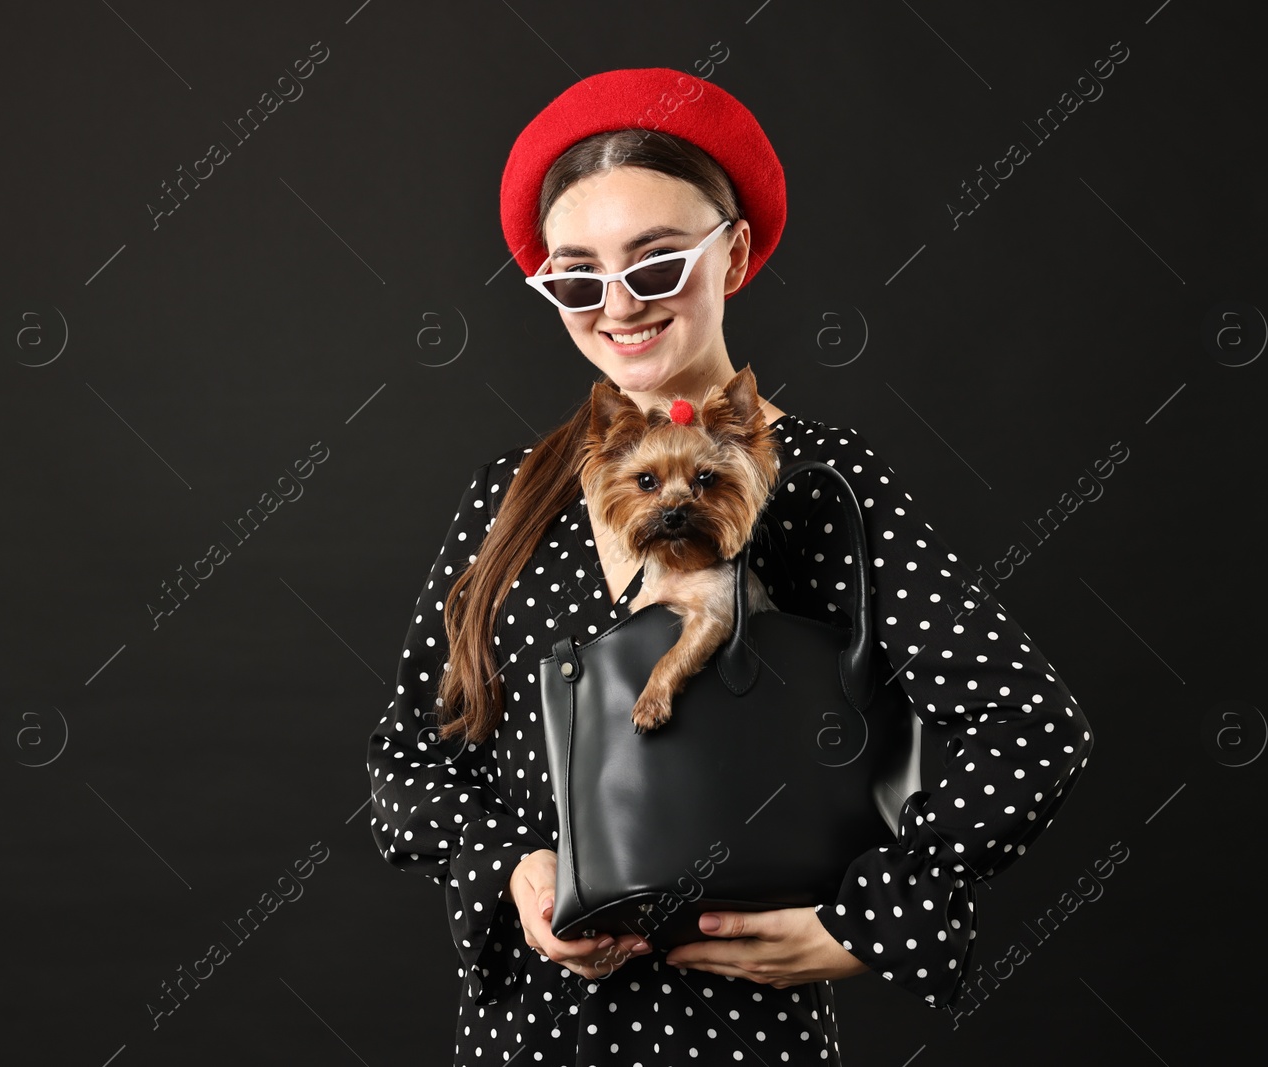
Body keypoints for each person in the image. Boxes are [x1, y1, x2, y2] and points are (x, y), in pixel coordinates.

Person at [367, 67, 1095, 1066]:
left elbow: (1028, 726)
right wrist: (515, 870)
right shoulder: (511, 493)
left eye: (656, 264)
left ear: (735, 254)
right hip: (528, 1036)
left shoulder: (828, 486)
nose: (616, 306)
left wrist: (871, 914)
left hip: (738, 1035)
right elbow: (409, 760)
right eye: (576, 278)